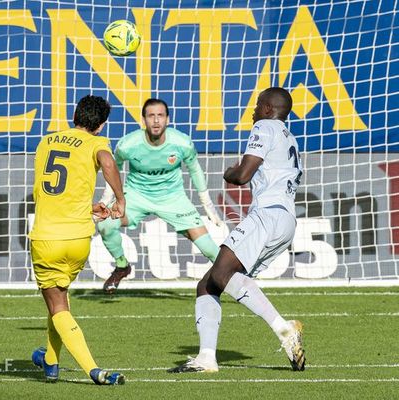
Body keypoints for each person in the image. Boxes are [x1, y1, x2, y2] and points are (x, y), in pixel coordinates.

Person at [168, 87, 305, 373]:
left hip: (267, 215)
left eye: (257, 105)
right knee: (209, 284)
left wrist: (229, 172)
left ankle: (284, 329)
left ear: (268, 109)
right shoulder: (290, 137)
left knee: (219, 274)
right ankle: (207, 357)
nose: (253, 111)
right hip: (286, 220)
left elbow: (243, 175)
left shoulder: (264, 126)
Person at [29, 95, 126, 385]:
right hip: (79, 238)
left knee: (57, 306)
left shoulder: (47, 141)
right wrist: (119, 199)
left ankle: (94, 370)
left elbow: (52, 190)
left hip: (47, 237)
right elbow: (106, 161)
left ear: (75, 116)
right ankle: (50, 362)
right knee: (59, 302)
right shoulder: (97, 143)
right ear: (101, 125)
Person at [97, 98, 223, 294]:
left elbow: (195, 169)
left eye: (160, 116)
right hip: (136, 196)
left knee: (209, 249)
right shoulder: (127, 145)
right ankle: (122, 265)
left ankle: (241, 283)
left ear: (167, 119)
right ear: (144, 120)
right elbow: (113, 169)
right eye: (151, 116)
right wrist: (106, 200)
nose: (156, 121)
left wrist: (206, 203)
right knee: (105, 225)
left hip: (173, 198)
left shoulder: (181, 143)